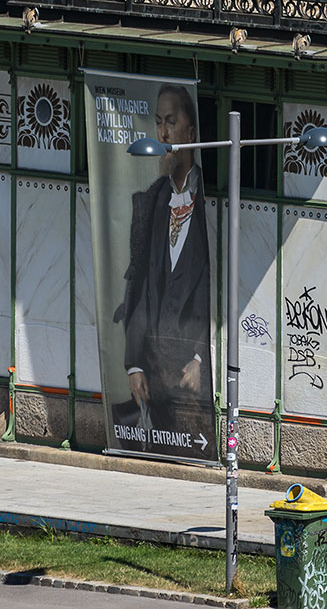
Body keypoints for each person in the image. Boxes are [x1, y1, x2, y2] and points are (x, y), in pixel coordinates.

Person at [112, 84, 214, 449]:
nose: (163, 134)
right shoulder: (151, 202)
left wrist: (202, 358)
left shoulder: (210, 204)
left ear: (191, 132)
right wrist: (134, 364)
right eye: (158, 123)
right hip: (153, 376)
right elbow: (140, 288)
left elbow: (218, 291)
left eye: (171, 122)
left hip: (192, 377)